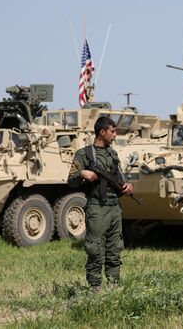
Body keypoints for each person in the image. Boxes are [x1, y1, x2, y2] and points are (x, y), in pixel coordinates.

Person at [68, 116, 134, 292]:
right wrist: (83, 173)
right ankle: (95, 287)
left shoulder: (113, 154)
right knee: (95, 248)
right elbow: (71, 180)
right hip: (97, 207)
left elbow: (119, 179)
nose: (115, 134)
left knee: (115, 248)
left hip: (115, 208)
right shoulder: (84, 154)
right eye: (112, 131)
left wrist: (127, 186)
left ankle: (114, 285)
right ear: (102, 132)